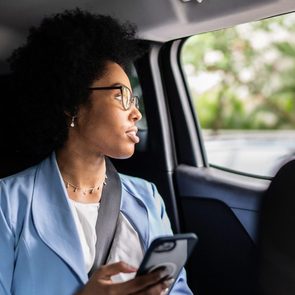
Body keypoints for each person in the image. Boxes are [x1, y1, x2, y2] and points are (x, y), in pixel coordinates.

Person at [0, 8, 193, 295]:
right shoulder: (8, 202)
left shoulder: (147, 196)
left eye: (134, 100)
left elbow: (179, 290)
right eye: (121, 97)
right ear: (72, 103)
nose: (136, 114)